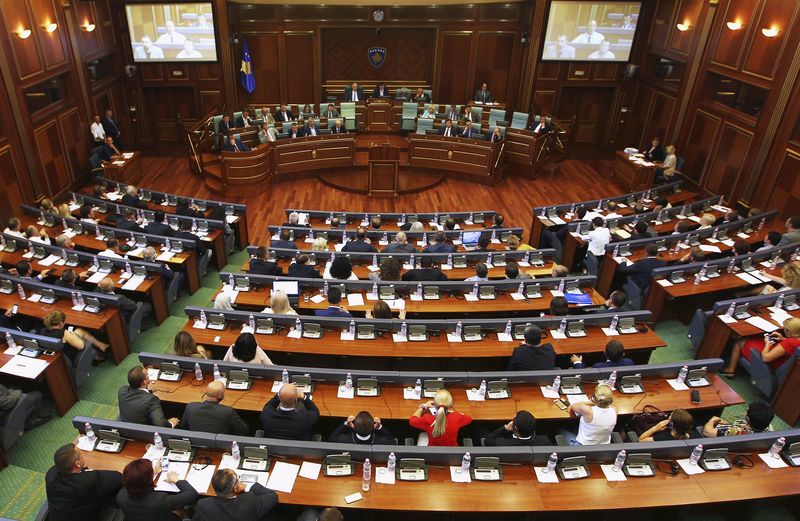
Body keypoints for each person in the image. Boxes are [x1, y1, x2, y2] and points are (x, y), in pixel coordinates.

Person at [45, 443, 123, 521]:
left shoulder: (50, 475)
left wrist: (83, 471)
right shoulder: (87, 481)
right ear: (77, 464)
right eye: (81, 455)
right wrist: (88, 472)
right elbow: (118, 477)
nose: (83, 456)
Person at [117, 458, 198, 521]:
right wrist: (176, 480)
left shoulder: (121, 495)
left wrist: (152, 472)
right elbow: (192, 494)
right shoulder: (159, 501)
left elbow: (135, 482)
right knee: (181, 510)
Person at [722, 317, 800, 376]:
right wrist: (783, 339)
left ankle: (730, 370)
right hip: (785, 362)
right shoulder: (794, 340)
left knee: (740, 342)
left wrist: (767, 344)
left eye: (785, 329)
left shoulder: (789, 342)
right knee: (756, 339)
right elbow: (794, 345)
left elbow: (765, 358)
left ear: (790, 332)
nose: (784, 330)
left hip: (773, 364)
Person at [194, 468, 278, 521]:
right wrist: (246, 487)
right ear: (235, 488)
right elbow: (272, 496)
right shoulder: (249, 501)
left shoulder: (203, 505)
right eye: (238, 478)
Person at [41, 309, 110, 364]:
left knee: (80, 331)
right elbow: (81, 346)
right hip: (71, 357)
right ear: (61, 323)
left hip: (58, 355)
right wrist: (72, 335)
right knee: (83, 340)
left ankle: (102, 346)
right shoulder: (63, 333)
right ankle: (95, 356)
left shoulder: (43, 331)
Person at [181, 381, 248, 435]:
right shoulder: (227, 411)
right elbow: (243, 431)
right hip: (220, 445)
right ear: (220, 396)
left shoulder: (191, 407)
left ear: (206, 392)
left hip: (197, 441)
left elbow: (183, 426)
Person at [703, 402, 774, 437]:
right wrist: (727, 424)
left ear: (747, 418)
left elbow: (707, 432)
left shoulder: (736, 432)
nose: (744, 412)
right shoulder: (770, 429)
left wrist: (712, 420)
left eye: (746, 410)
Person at [485, 411, 550, 446]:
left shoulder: (502, 443)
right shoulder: (545, 441)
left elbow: (488, 440)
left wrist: (505, 428)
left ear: (515, 429)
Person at [329, 410, 395, 445]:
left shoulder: (342, 440)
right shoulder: (383, 441)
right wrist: (380, 427)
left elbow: (332, 437)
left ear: (353, 426)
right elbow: (392, 441)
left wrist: (346, 424)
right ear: (373, 427)